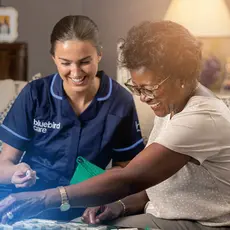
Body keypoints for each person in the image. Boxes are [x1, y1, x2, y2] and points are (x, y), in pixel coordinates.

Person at [0, 20, 230, 230]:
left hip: (199, 222)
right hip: (160, 213)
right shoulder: (170, 101)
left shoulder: (200, 117)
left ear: (180, 77)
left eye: (148, 89)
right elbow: (156, 183)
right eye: (137, 88)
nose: (142, 97)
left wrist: (45, 198)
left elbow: (130, 177)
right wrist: (119, 205)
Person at [0, 15, 144, 221]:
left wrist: (107, 198)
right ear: (53, 59)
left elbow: (128, 171)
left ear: (100, 54)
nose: (76, 72)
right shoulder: (35, 94)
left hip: (83, 205)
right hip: (25, 200)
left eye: (85, 62)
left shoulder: (120, 100)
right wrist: (15, 173)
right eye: (65, 63)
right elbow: (4, 164)